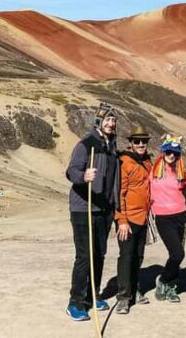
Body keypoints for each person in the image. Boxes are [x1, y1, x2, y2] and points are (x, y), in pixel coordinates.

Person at [65, 103, 119, 321]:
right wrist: (83, 176)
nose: (111, 123)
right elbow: (71, 171)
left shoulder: (112, 147)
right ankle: (75, 302)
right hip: (84, 208)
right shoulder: (86, 144)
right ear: (99, 121)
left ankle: (92, 296)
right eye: (108, 119)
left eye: (114, 120)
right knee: (85, 256)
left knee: (99, 254)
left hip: (104, 209)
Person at [114, 126, 153, 315]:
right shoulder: (125, 162)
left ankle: (134, 289)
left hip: (143, 218)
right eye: (137, 141)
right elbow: (119, 193)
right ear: (130, 143)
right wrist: (121, 220)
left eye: (143, 141)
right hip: (128, 220)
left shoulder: (147, 162)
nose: (140, 144)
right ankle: (123, 297)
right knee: (126, 257)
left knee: (138, 256)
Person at [150, 134, 186, 303]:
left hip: (180, 216)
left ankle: (171, 286)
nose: (172, 156)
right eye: (168, 152)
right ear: (163, 152)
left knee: (175, 254)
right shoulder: (153, 171)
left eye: (175, 153)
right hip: (163, 218)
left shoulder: (181, 172)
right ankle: (163, 280)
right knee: (178, 253)